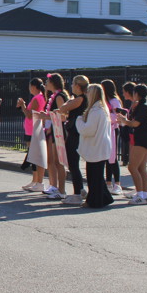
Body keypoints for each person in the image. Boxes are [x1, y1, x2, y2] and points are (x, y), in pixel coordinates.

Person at [75, 83, 115, 209]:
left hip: (96, 147)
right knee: (96, 175)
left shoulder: (96, 111)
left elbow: (88, 130)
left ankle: (95, 201)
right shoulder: (102, 109)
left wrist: (79, 120)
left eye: (88, 92)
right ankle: (104, 198)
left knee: (94, 176)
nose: (86, 94)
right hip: (99, 146)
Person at [117, 84, 147, 205]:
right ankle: (144, 195)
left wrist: (124, 121)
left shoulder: (144, 107)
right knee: (141, 168)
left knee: (132, 167)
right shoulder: (143, 105)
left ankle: (140, 194)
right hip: (144, 139)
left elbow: (136, 123)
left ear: (137, 94)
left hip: (141, 139)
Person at [57, 75, 90, 205]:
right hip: (73, 131)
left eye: (72, 84)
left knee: (73, 162)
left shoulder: (80, 99)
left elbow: (63, 108)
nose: (71, 87)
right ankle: (80, 189)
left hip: (76, 133)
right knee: (72, 163)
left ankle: (77, 193)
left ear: (77, 86)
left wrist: (67, 103)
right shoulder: (78, 98)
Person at [41, 73, 70, 200]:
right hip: (54, 130)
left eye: (47, 81)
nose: (46, 84)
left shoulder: (59, 96)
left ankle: (62, 190)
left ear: (53, 83)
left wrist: (46, 116)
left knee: (59, 162)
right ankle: (54, 186)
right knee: (53, 160)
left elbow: (63, 116)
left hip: (59, 131)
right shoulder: (53, 96)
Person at [19, 78, 48, 192]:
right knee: (32, 156)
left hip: (32, 129)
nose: (29, 88)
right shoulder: (40, 97)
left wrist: (23, 105)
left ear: (34, 86)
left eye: (30, 86)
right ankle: (34, 180)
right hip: (31, 129)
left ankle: (37, 181)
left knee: (34, 156)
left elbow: (30, 115)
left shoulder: (37, 98)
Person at [102, 79, 123, 194]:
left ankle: (117, 184)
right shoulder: (105, 100)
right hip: (106, 129)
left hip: (113, 129)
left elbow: (118, 116)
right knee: (107, 157)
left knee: (112, 157)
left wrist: (107, 116)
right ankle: (108, 182)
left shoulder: (114, 101)